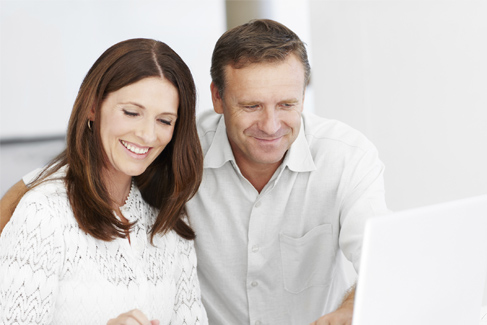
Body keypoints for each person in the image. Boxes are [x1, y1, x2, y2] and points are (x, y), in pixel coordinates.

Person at [1, 20, 389, 325]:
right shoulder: (179, 153)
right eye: (251, 105)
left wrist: (355, 308)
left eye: (288, 104)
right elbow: (77, 173)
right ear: (218, 98)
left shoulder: (346, 158)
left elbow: (383, 259)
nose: (271, 125)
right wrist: (25, 210)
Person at [0, 38, 208, 324]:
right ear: (93, 108)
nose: (148, 135)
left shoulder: (168, 217)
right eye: (132, 113)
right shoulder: (43, 215)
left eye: (164, 120)